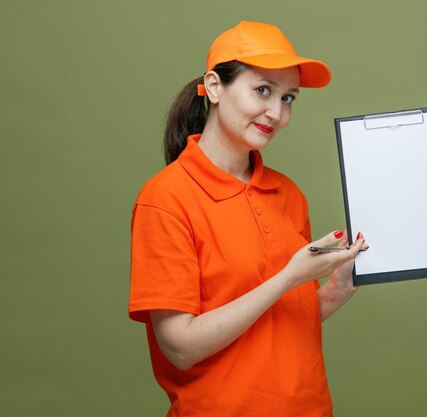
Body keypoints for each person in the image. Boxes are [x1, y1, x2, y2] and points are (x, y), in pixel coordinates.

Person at [129, 20, 367, 417]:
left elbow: (280, 323)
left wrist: (332, 291)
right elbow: (180, 348)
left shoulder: (288, 193)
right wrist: (290, 276)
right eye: (263, 90)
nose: (276, 112)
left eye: (288, 98)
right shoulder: (165, 199)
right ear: (216, 86)